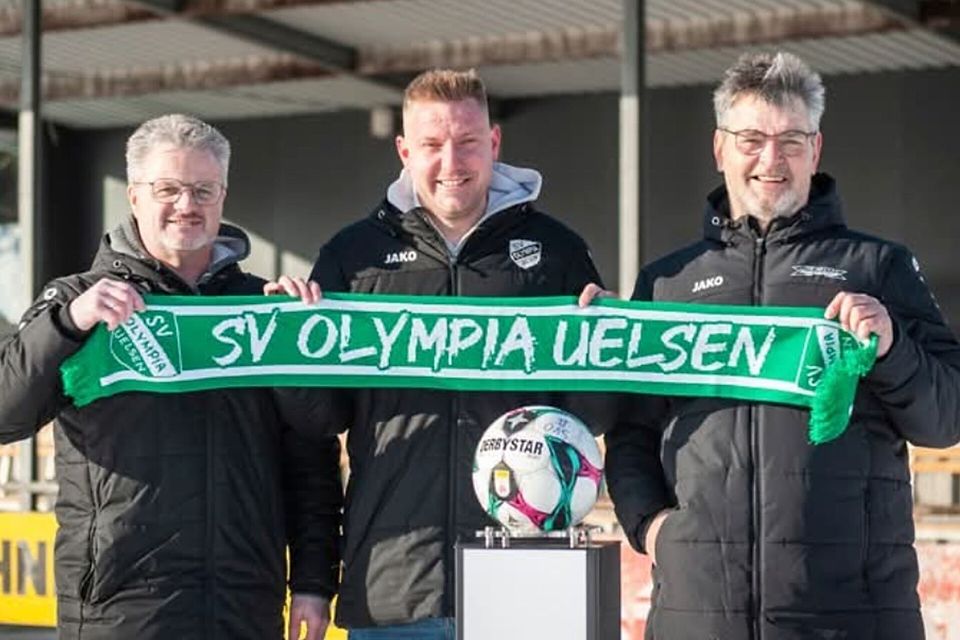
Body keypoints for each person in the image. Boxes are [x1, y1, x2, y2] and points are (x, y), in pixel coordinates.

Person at [585, 51, 960, 640]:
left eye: (791, 139)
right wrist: (654, 530)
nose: (771, 158)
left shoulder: (877, 267)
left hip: (852, 617)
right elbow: (632, 434)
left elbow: (946, 419)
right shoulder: (667, 283)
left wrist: (893, 350)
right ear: (720, 149)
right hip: (700, 616)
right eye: (752, 138)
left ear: (816, 149)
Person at [270, 68, 604, 639]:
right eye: (431, 144)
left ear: (494, 143)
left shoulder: (557, 253)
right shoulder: (356, 259)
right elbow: (317, 424)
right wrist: (289, 348)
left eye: (468, 142)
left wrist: (603, 351)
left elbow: (590, 419)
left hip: (526, 585)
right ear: (404, 150)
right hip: (394, 589)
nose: (451, 162)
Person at [0, 114, 342, 640]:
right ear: (134, 195)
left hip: (243, 604)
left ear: (223, 196)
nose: (187, 205)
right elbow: (6, 413)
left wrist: (315, 583)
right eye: (168, 189)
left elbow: (312, 454)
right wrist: (66, 326)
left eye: (203, 190)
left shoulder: (261, 309)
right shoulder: (76, 302)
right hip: (120, 608)